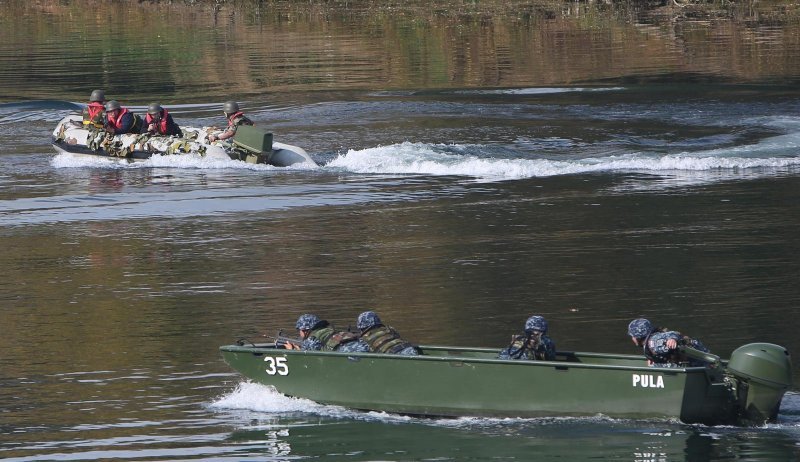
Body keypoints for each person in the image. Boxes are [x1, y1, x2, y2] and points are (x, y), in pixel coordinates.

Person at [627, 318, 710, 368]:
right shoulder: (652, 342)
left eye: (633, 336)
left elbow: (673, 334)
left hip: (698, 362)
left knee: (654, 367)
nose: (632, 338)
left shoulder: (653, 342)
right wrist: (653, 359)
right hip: (701, 357)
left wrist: (672, 339)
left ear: (638, 337)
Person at [283, 314, 369, 353]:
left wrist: (292, 351)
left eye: (300, 330)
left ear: (305, 330)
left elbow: (307, 358)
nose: (299, 333)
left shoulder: (312, 338)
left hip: (349, 354)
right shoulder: (328, 331)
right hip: (362, 347)